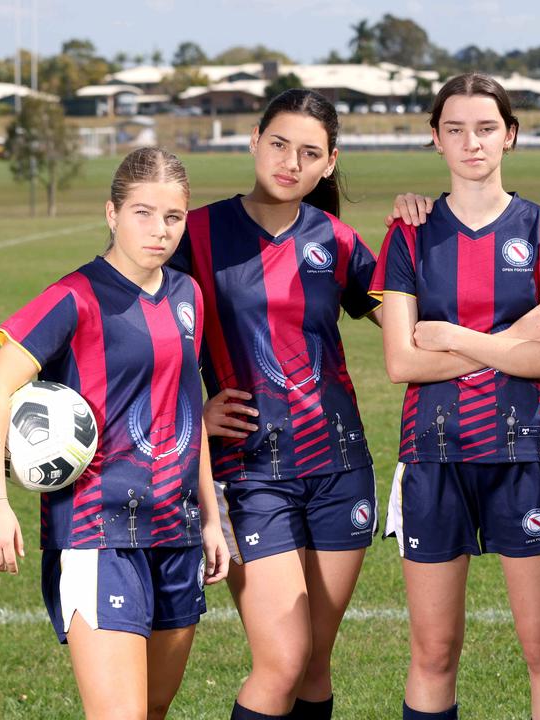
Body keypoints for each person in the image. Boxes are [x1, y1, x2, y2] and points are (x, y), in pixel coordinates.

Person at [0, 147, 227, 720]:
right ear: (112, 213)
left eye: (173, 217)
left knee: (154, 708)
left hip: (176, 529)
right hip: (96, 533)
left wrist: (211, 517)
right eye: (143, 212)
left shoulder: (188, 295)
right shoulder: (72, 297)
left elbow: (186, 410)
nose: (159, 230)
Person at [372, 72, 540, 720]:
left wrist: (458, 339)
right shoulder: (410, 232)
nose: (472, 142)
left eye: (486, 128)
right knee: (433, 651)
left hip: (525, 458)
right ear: (436, 138)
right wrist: (508, 341)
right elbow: (403, 361)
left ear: (511, 135)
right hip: (433, 458)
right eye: (456, 129)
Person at [169, 89, 379, 720]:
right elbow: (142, 340)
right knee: (282, 660)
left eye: (310, 152)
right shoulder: (197, 235)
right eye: (280, 143)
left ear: (330, 163)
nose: (291, 162)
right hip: (248, 471)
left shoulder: (336, 240)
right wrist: (192, 417)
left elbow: (412, 323)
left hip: (342, 468)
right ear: (254, 139)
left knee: (314, 664)